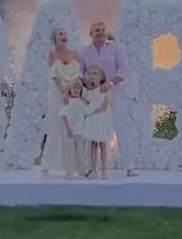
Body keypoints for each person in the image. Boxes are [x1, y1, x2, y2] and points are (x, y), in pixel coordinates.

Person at [80, 21, 138, 176]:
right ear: (91, 34)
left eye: (102, 30)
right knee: (91, 132)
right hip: (94, 97)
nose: (100, 33)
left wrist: (111, 83)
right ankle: (90, 167)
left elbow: (123, 69)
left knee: (121, 126)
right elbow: (80, 73)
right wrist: (88, 86)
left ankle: (129, 167)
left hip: (114, 93)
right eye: (96, 30)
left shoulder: (116, 49)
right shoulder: (84, 52)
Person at [41, 28, 81, 175]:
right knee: (56, 125)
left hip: (73, 94)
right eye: (60, 34)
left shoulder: (75, 54)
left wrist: (73, 91)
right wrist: (64, 91)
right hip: (58, 94)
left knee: (72, 127)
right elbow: (55, 76)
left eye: (65, 33)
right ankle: (50, 162)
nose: (64, 36)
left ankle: (72, 164)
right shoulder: (52, 54)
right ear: (55, 39)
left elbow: (78, 76)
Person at [83, 65, 113, 179]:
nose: (92, 75)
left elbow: (104, 106)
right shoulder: (89, 92)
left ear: (101, 78)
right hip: (94, 120)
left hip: (102, 119)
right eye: (90, 73)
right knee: (93, 145)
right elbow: (87, 103)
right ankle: (93, 169)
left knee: (103, 144)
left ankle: (104, 169)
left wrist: (92, 110)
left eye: (95, 73)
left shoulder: (103, 90)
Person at [59, 78, 89, 179]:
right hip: (70, 132)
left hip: (80, 131)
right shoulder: (67, 101)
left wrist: (86, 102)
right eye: (74, 88)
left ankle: (82, 171)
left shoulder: (81, 102)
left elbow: (87, 113)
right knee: (69, 153)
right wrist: (68, 128)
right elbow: (63, 115)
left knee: (81, 153)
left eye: (78, 88)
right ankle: (69, 172)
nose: (76, 90)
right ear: (70, 89)